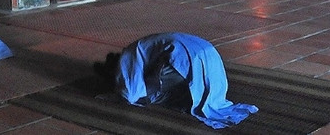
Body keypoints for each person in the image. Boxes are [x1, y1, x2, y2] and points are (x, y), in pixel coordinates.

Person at [94, 32, 258, 129]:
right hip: (210, 56)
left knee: (147, 94)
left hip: (185, 61)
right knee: (157, 84)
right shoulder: (139, 46)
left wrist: (114, 95)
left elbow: (130, 93)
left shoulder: (128, 56)